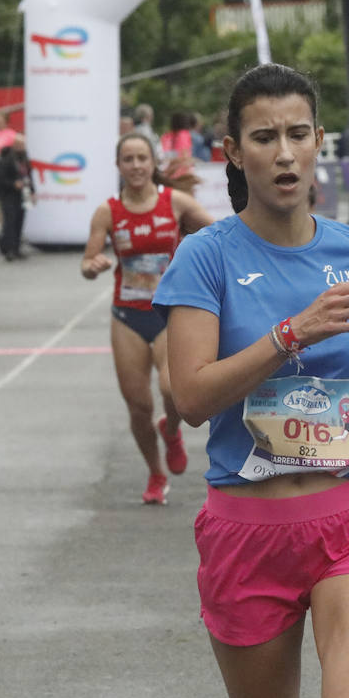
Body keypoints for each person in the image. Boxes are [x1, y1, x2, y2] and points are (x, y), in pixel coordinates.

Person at [152, 63, 349, 698]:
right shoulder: (203, 259)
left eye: (299, 134)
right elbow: (191, 397)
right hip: (248, 532)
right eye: (264, 137)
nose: (285, 152)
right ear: (234, 152)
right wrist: (291, 333)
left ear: (318, 141)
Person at [81, 131, 215, 504]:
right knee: (138, 404)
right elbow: (87, 262)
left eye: (143, 158)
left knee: (173, 389)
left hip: (169, 313)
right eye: (129, 159)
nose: (137, 166)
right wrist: (93, 265)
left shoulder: (174, 202)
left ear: (153, 162)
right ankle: (156, 474)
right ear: (119, 166)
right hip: (127, 315)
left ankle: (171, 429)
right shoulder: (108, 211)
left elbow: (222, 234)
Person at [0, 135, 31, 261]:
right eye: (19, 145)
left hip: (22, 196)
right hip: (8, 196)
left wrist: (32, 191)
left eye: (23, 145)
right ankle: (8, 249)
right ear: (14, 146)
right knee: (10, 222)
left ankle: (17, 248)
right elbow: (0, 179)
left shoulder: (24, 159)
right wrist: (13, 184)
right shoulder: (6, 160)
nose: (22, 148)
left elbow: (28, 176)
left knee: (19, 222)